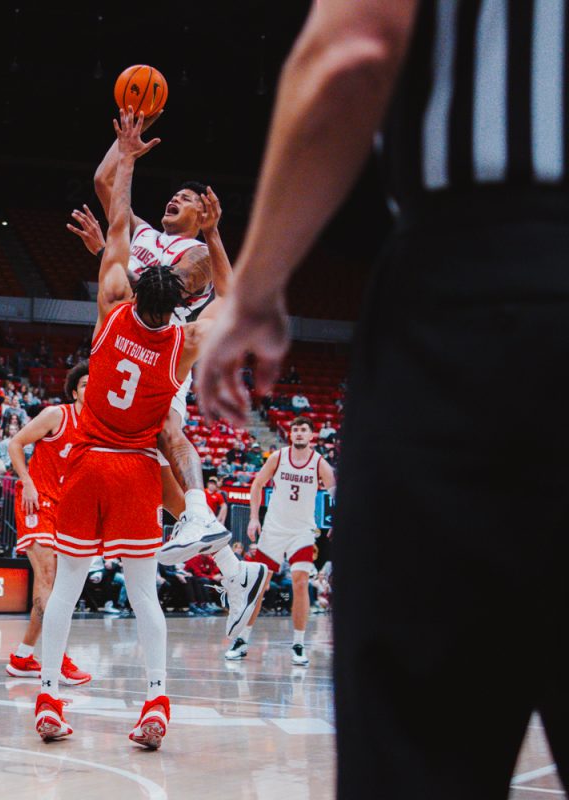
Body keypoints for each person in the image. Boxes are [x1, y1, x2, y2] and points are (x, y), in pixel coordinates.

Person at [192, 3, 569, 796]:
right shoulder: (288, 459)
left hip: (482, 284)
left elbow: (354, 46)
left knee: (420, 754)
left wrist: (254, 289)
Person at [35, 109, 245, 749]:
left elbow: (118, 222)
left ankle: (48, 698)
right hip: (133, 468)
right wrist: (214, 237)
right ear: (177, 301)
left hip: (87, 456)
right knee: (144, 595)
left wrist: (126, 155)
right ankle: (156, 700)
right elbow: (230, 305)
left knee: (67, 588)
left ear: (129, 288)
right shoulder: (180, 343)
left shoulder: (108, 308)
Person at [5, 361, 91, 686]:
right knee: (49, 578)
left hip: (65, 510)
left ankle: (23, 656)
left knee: (55, 586)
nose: (89, 389)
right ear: (74, 390)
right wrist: (26, 480)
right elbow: (15, 443)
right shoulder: (58, 415)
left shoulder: (96, 429)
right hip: (35, 500)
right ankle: (60, 657)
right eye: (83, 384)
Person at [224, 417, 335, 667]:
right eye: (295, 429)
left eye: (303, 430)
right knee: (259, 586)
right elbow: (257, 484)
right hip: (274, 529)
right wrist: (253, 518)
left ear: (311, 436)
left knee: (300, 582)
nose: (298, 434)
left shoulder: (319, 463)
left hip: (302, 531)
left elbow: (336, 491)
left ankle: (298, 644)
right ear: (290, 434)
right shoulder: (278, 457)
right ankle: (242, 640)